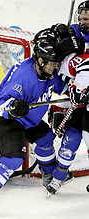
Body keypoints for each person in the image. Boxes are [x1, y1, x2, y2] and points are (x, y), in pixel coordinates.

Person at [0, 29, 85, 216]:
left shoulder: (49, 71)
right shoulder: (24, 76)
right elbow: (2, 103)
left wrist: (79, 89)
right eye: (52, 63)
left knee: (46, 138)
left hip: (28, 118)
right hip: (6, 119)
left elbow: (64, 88)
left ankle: (47, 175)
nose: (56, 66)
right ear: (40, 60)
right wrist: (14, 106)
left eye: (56, 62)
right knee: (13, 159)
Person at [41, 47, 89, 195]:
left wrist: (80, 90)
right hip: (76, 105)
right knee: (71, 140)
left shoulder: (79, 62)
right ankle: (58, 177)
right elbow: (64, 88)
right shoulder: (68, 62)